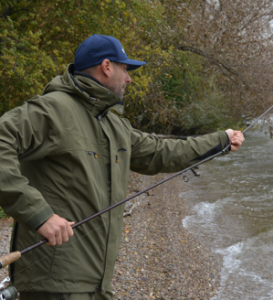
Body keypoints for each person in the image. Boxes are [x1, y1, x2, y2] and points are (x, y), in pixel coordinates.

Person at [0, 34, 244, 300]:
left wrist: (220, 140)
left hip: (97, 285)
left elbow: (162, 152)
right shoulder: (53, 110)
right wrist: (39, 215)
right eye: (125, 69)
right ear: (106, 67)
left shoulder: (113, 124)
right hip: (53, 286)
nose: (129, 78)